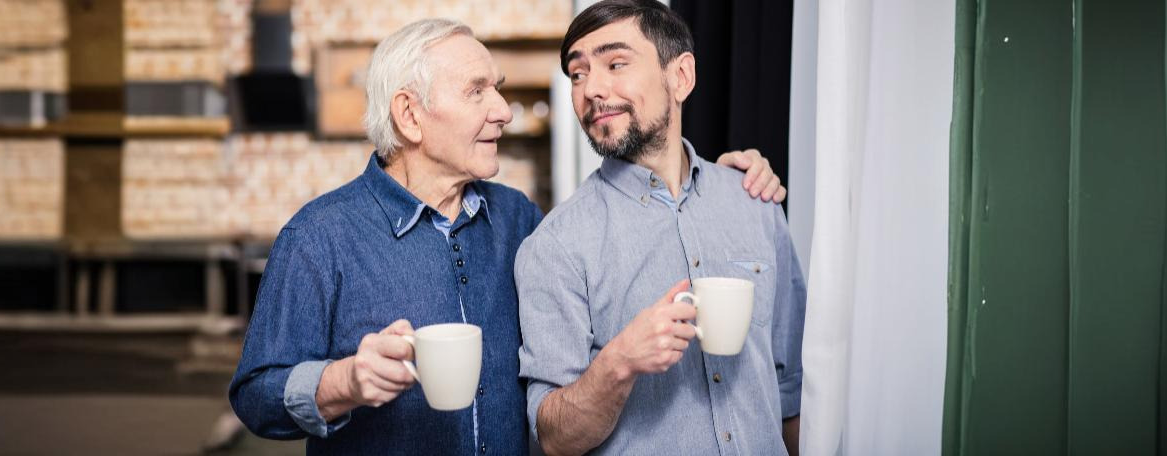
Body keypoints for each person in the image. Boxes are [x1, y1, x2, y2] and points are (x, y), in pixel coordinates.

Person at [227, 17, 789, 455]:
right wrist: (342, 381)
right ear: (410, 116)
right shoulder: (318, 237)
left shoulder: (520, 220)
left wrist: (726, 183)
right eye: (477, 92)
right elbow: (255, 396)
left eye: (497, 89)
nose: (503, 111)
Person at [516, 1, 807, 455]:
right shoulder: (554, 247)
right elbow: (553, 437)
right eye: (577, 74)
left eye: (615, 63)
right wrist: (619, 363)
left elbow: (789, 389)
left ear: (681, 77)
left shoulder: (756, 202)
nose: (591, 88)